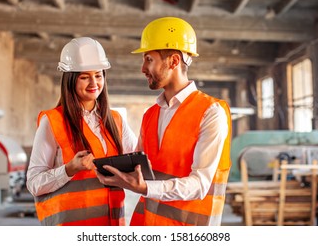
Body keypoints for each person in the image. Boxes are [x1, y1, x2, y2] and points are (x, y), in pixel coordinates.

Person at [96, 16, 232, 226]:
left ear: (174, 61)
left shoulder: (211, 112)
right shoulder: (151, 114)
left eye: (149, 59)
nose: (142, 68)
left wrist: (145, 188)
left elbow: (200, 184)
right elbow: (140, 169)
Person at [26, 37, 137, 226]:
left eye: (98, 75)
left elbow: (136, 161)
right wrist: (69, 169)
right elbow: (34, 183)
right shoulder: (53, 121)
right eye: (85, 76)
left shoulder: (116, 120)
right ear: (70, 79)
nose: (94, 82)